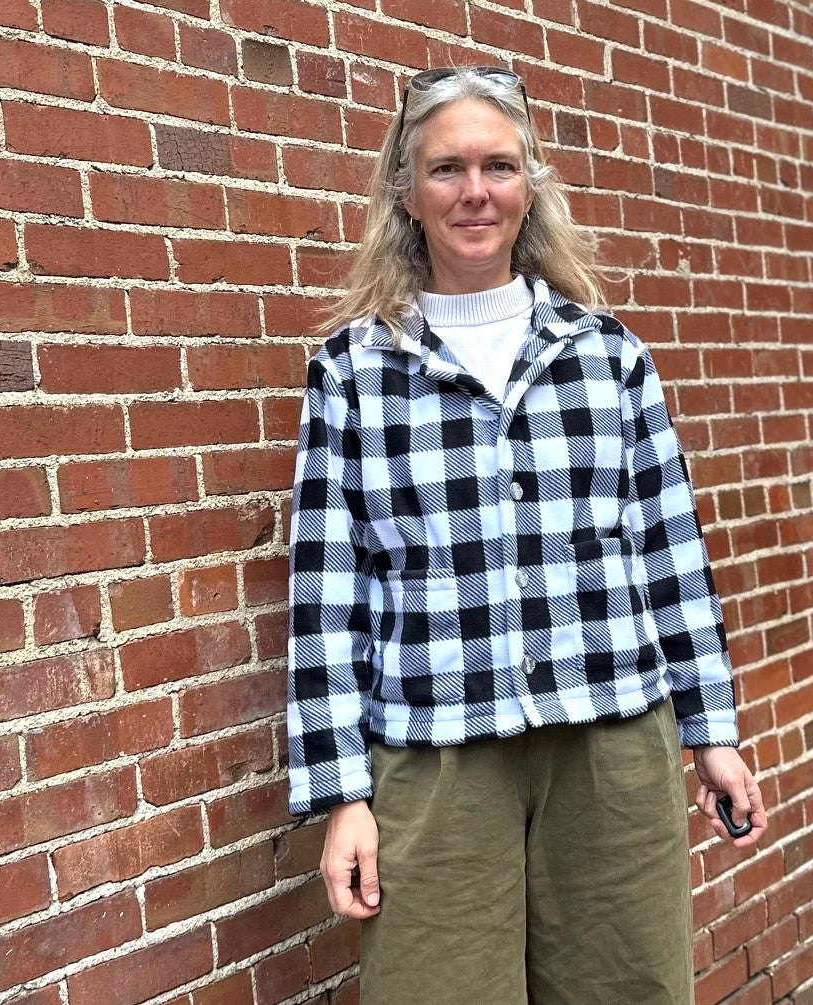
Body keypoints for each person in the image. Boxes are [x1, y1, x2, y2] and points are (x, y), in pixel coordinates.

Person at [287, 65, 767, 1005]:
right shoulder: (353, 371)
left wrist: (711, 731)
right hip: (436, 759)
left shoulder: (609, 356)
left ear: (530, 185)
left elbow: (668, 550)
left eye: (498, 166)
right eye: (446, 169)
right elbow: (326, 598)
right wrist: (343, 792)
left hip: (613, 743)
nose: (475, 191)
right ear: (405, 192)